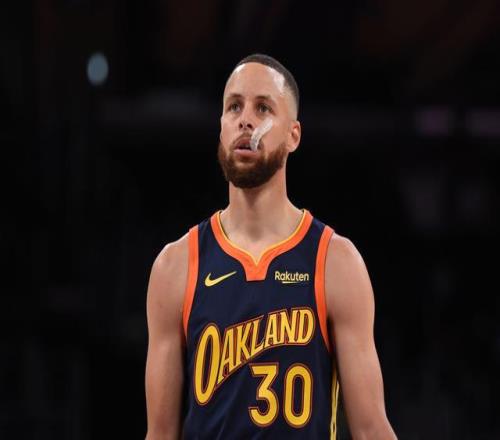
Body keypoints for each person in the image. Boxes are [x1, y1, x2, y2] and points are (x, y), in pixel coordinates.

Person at [144, 53, 397, 439]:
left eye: (263, 108)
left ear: (293, 135)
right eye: (234, 107)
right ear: (221, 128)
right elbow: (160, 434)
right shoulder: (176, 266)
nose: (245, 120)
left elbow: (370, 429)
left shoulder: (335, 262)